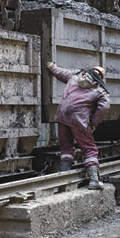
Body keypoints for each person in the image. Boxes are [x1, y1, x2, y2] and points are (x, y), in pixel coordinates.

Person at [46, 61, 110, 190]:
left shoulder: (75, 76)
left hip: (62, 115)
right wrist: (93, 123)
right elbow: (104, 107)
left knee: (66, 148)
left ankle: (64, 179)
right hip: (79, 120)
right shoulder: (100, 89)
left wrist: (52, 66)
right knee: (89, 148)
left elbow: (60, 72)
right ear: (100, 77)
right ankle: (94, 180)